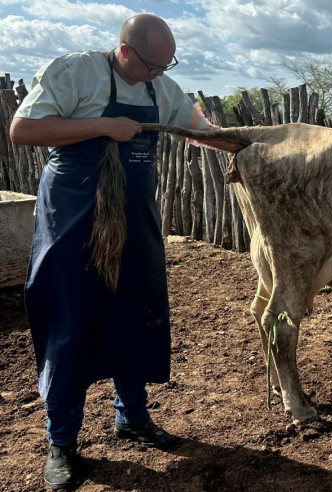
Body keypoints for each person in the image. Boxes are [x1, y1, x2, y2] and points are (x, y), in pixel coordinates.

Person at [9, 14, 217, 490]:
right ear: (126, 52)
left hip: (135, 221)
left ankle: (133, 418)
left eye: (168, 65)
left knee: (133, 313)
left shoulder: (160, 87)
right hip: (73, 216)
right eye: (153, 66)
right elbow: (23, 130)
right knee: (70, 323)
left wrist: (243, 145)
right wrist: (106, 126)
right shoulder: (74, 72)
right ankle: (61, 443)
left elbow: (197, 127)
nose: (160, 75)